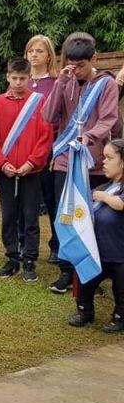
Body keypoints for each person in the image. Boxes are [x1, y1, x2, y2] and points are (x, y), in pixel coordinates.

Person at [43, 34, 121, 294]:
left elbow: (108, 119)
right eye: (71, 64)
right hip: (66, 161)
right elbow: (49, 115)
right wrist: (60, 83)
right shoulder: (65, 80)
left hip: (95, 162)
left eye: (81, 66)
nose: (75, 70)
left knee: (92, 219)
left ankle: (92, 277)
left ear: (94, 59)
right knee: (64, 216)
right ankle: (67, 272)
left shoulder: (106, 84)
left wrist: (88, 137)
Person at [0, 58, 53, 282]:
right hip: (6, 171)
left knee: (31, 217)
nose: (17, 83)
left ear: (29, 78)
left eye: (22, 79)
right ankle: (12, 258)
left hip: (30, 171)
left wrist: (31, 163)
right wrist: (2, 163)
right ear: (7, 77)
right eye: (14, 78)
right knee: (9, 216)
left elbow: (45, 137)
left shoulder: (39, 101)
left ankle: (30, 260)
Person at [67, 139, 124, 333]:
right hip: (98, 252)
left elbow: (120, 204)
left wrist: (104, 198)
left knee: (121, 289)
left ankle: (120, 317)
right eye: (103, 158)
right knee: (86, 281)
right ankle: (85, 311)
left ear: (123, 162)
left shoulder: (108, 193)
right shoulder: (102, 188)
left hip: (120, 255)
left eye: (109, 158)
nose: (104, 163)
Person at [24, 35, 59, 262]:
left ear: (49, 56)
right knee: (25, 201)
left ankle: (57, 245)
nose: (34, 55)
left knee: (52, 199)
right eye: (31, 51)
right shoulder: (20, 81)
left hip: (49, 151)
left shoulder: (56, 83)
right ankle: (24, 245)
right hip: (23, 151)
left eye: (40, 51)